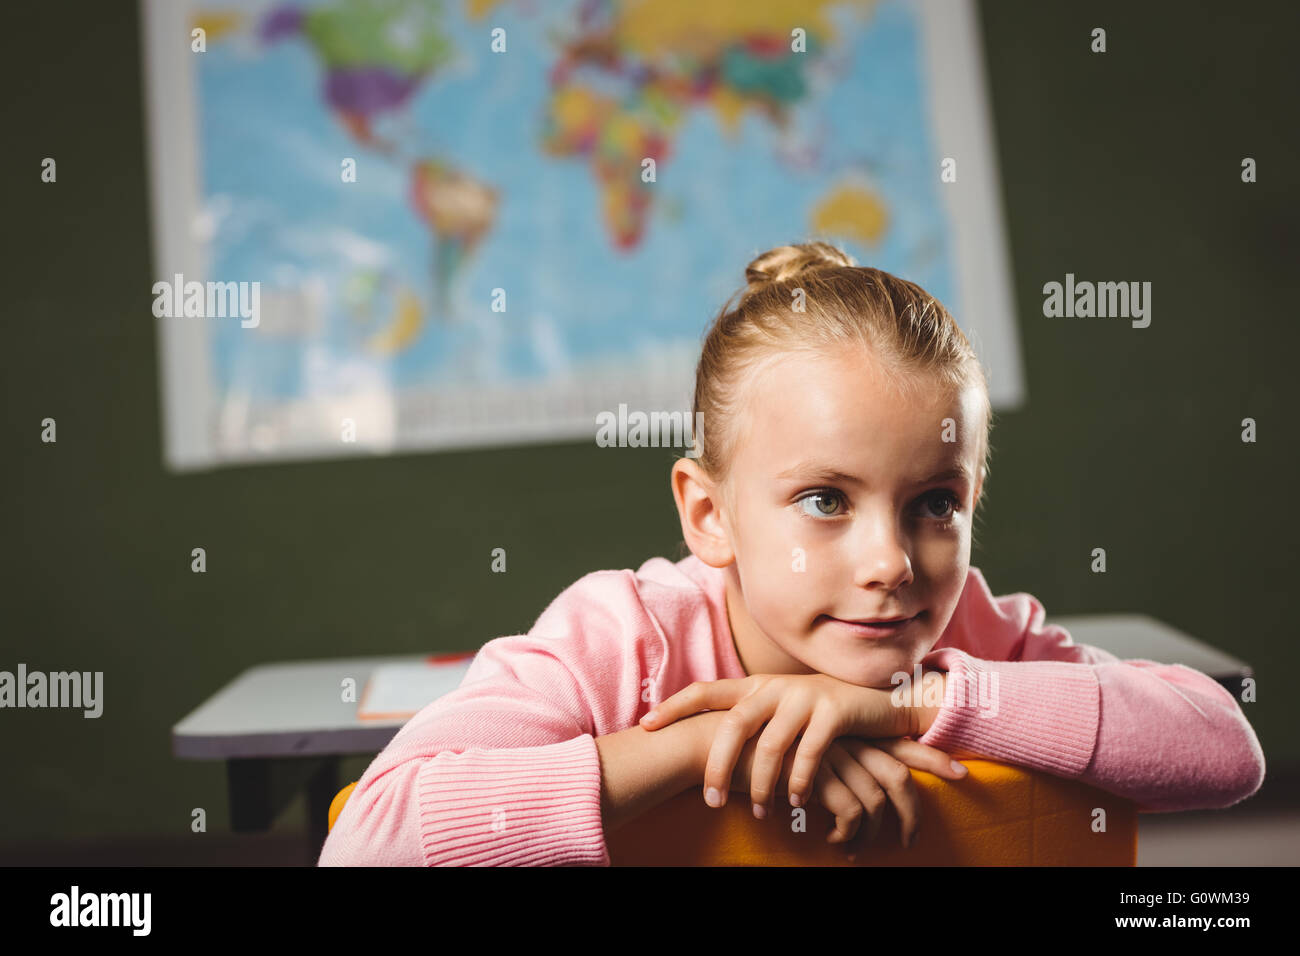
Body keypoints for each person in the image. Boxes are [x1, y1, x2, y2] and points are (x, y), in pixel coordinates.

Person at [319, 241, 1265, 866]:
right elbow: (366, 842)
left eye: (936, 502)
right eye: (824, 500)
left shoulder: (970, 624)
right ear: (709, 514)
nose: (892, 562)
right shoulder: (623, 637)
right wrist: (708, 743)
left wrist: (901, 706)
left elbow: (1224, 748)